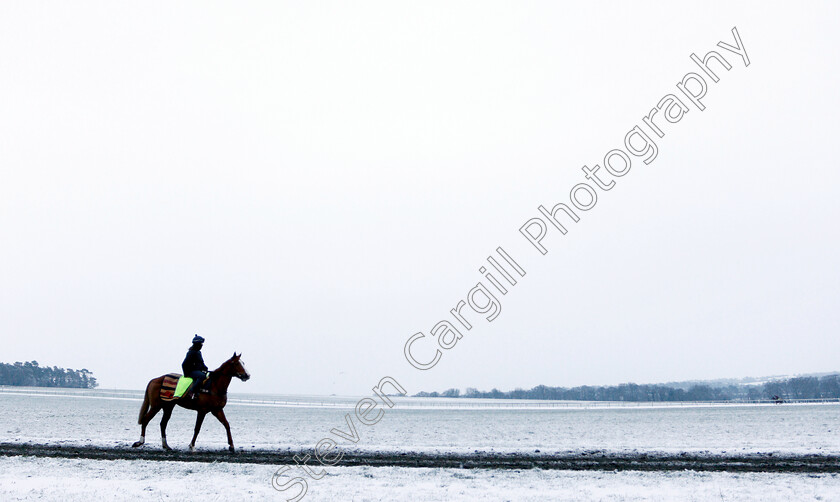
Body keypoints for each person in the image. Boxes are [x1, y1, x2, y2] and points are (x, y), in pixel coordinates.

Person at [182, 334, 209, 400]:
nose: (202, 345)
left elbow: (201, 363)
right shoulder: (191, 352)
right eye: (201, 344)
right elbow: (184, 364)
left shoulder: (198, 352)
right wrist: (187, 373)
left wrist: (205, 368)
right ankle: (191, 392)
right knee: (202, 376)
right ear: (197, 344)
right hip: (191, 372)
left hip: (197, 371)